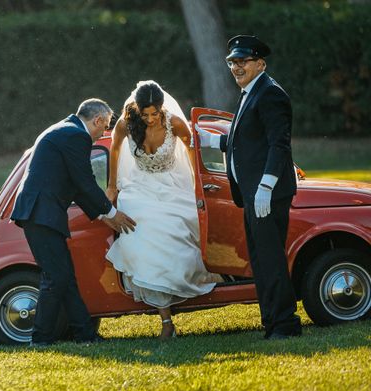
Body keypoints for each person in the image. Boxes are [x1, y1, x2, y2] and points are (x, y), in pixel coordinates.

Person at [195, 35, 302, 340]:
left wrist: (266, 186)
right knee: (260, 260)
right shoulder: (250, 92)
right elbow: (244, 142)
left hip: (266, 195)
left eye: (243, 61)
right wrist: (207, 139)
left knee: (271, 259)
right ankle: (271, 321)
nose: (236, 67)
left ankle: (285, 325)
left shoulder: (270, 93)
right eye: (232, 62)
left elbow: (278, 145)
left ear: (260, 64)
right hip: (253, 195)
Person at [11, 99, 136, 346]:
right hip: (41, 213)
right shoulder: (75, 136)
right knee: (56, 277)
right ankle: (41, 339)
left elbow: (77, 187)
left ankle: (84, 334)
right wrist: (111, 213)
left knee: (64, 276)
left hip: (40, 212)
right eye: (105, 126)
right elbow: (85, 182)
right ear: (97, 120)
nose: (105, 132)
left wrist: (103, 214)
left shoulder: (65, 130)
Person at [105, 81, 220, 339]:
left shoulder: (174, 123)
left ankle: (194, 280)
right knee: (141, 229)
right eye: (144, 114)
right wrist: (112, 186)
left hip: (172, 184)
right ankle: (166, 319)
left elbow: (191, 145)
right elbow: (114, 148)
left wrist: (195, 181)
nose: (150, 120)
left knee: (182, 221)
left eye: (154, 113)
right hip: (139, 187)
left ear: (162, 108)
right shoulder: (126, 124)